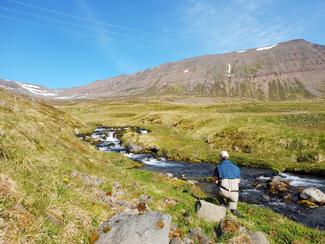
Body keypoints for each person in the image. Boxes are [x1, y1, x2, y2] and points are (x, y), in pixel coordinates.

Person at [213, 151, 241, 216]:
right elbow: (238, 181)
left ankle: (223, 204)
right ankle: (233, 209)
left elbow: (215, 181)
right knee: (232, 208)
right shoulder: (237, 168)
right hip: (235, 195)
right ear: (228, 157)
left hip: (224, 192)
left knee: (214, 188)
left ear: (221, 158)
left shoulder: (218, 167)